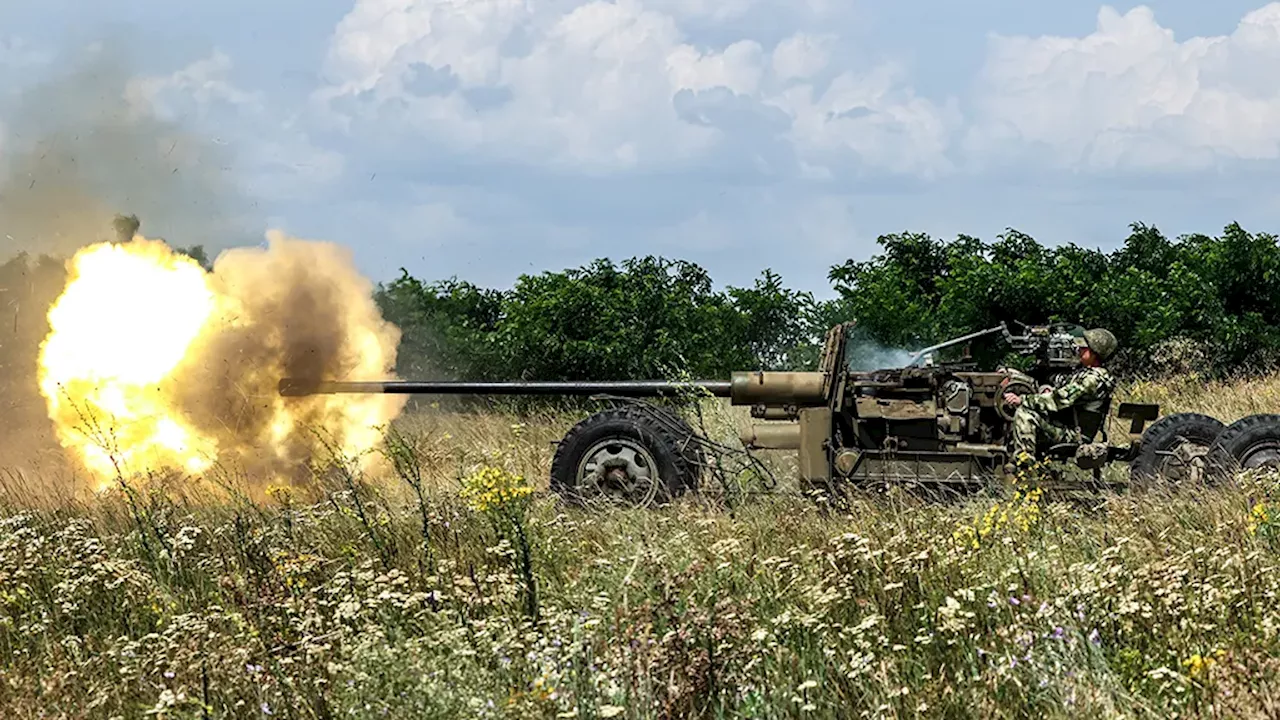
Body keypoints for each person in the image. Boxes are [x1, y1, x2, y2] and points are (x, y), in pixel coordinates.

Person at [1003, 328, 1119, 470]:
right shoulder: (1091, 374)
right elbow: (1064, 392)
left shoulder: (1092, 380)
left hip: (1074, 436)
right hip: (1071, 430)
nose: (1080, 350)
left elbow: (1059, 400)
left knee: (1025, 413)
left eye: (1085, 348)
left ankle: (1025, 466)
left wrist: (1022, 400)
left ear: (1095, 353)